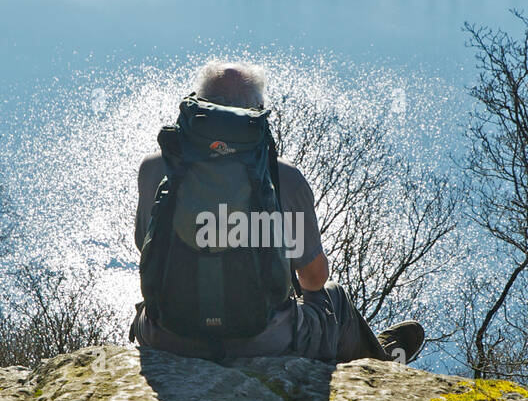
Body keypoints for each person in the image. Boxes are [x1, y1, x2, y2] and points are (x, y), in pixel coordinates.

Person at [128, 60, 424, 364]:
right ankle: (380, 363)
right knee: (334, 299)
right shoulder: (283, 178)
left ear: (198, 104)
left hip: (167, 337)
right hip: (262, 343)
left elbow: (146, 248)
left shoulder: (156, 168)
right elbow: (313, 278)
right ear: (258, 110)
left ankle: (374, 350)